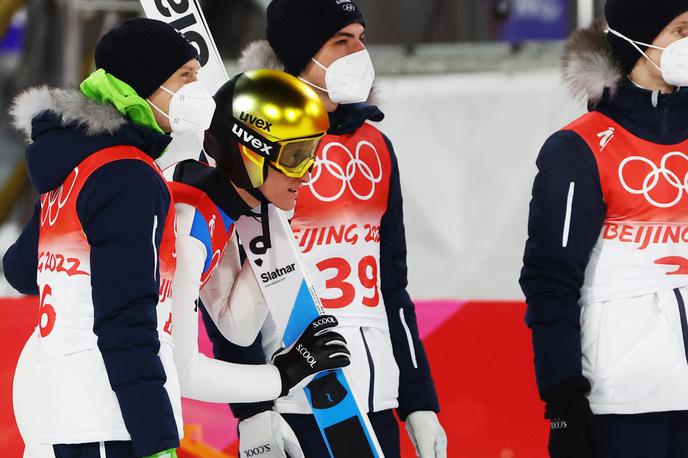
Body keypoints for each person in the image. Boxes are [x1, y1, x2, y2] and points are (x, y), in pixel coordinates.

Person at [205, 1, 447, 457]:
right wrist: (253, 412)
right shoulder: (251, 145)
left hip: (376, 397)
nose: (359, 52)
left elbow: (391, 283)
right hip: (296, 396)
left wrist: (418, 399)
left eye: (361, 37)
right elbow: (221, 289)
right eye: (342, 41)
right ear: (302, 54)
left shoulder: (376, 143)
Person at [4, 18, 211, 458]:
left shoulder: (76, 169)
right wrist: (156, 441)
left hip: (61, 415)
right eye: (185, 77)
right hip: (112, 420)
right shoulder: (128, 175)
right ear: (142, 86)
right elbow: (126, 320)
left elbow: (22, 270)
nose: (198, 88)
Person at [520, 1, 688, 457]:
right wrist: (562, 402)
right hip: (622, 404)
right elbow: (549, 279)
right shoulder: (578, 146)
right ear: (639, 39)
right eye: (681, 30)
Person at [168, 69, 352, 458]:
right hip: (86, 406)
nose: (308, 174)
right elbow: (181, 370)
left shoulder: (218, 212)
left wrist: (273, 231)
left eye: (312, 155)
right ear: (249, 152)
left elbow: (236, 329)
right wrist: (283, 377)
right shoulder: (190, 225)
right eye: (297, 157)